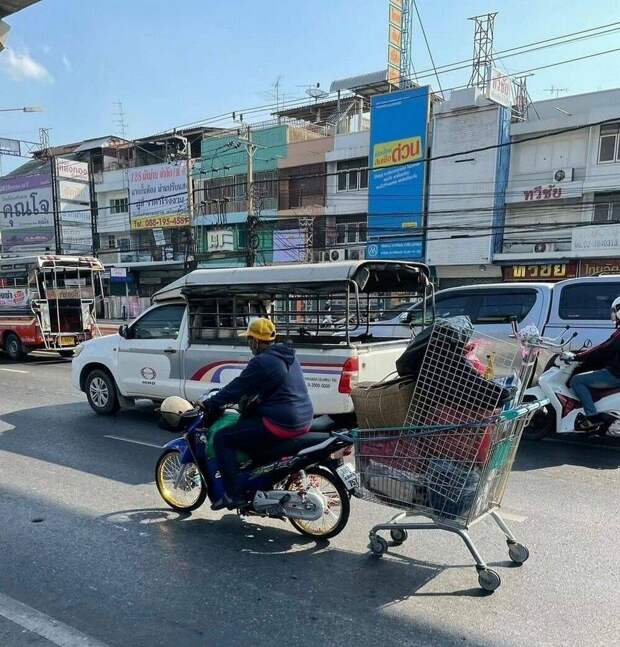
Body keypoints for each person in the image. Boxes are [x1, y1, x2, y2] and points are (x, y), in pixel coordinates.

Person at [200, 317, 314, 510]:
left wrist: (211, 402)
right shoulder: (288, 356)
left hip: (282, 422)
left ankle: (233, 494)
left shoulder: (262, 361)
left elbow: (237, 387)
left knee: (223, 438)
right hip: (304, 417)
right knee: (248, 428)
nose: (249, 345)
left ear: (255, 341)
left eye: (249, 340)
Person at [571, 296, 620, 430]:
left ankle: (592, 418)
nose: (614, 314)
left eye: (615, 310)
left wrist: (578, 357)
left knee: (577, 381)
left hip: (616, 374)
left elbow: (604, 349)